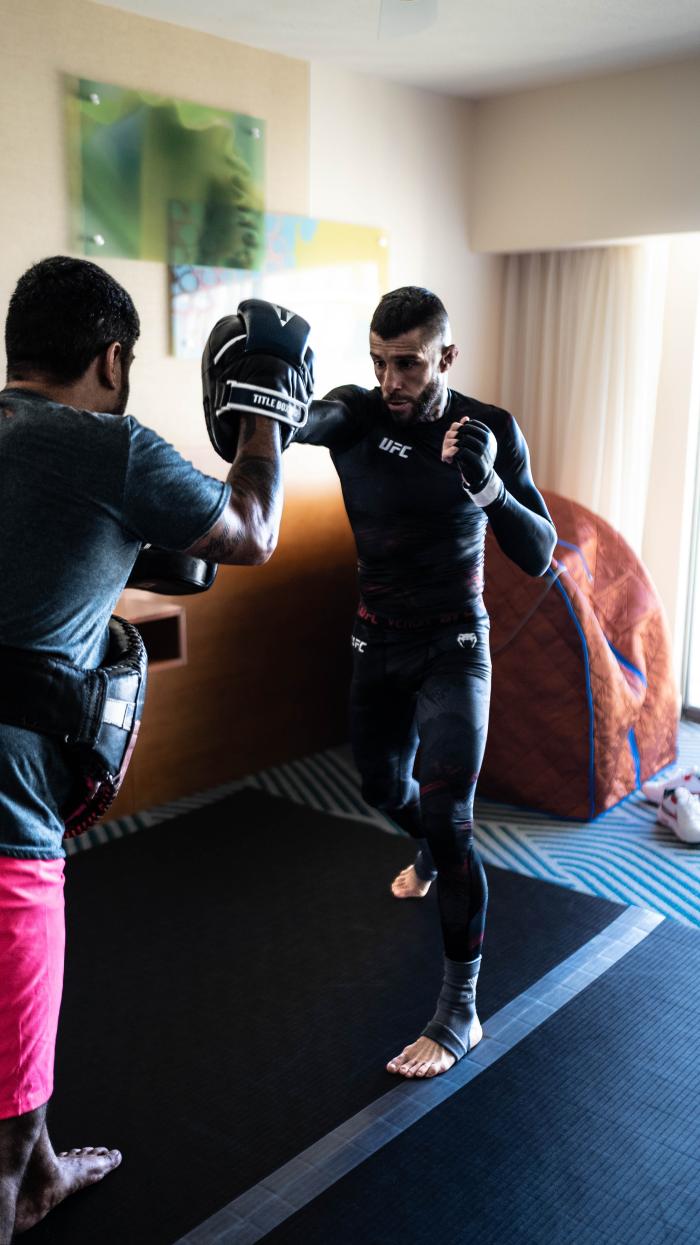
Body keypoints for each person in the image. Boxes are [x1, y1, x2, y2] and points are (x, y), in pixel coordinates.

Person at [0, 256, 309, 1240]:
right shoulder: (110, 448)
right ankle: (23, 1177)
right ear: (113, 357)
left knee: (16, 1075)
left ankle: (45, 1171)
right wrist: (264, 413)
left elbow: (159, 564)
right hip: (6, 833)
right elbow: (252, 533)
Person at [292, 287, 557, 1079]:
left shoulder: (488, 428)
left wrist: (490, 489)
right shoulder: (355, 413)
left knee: (451, 817)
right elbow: (298, 423)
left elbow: (540, 552)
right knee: (381, 784)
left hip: (454, 644)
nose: (390, 380)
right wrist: (255, 405)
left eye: (406, 363)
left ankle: (458, 1010)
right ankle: (428, 844)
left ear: (445, 356)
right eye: (377, 361)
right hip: (376, 636)